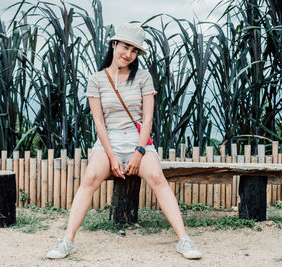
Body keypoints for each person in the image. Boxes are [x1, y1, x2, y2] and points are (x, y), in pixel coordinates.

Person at [46, 23, 202, 260]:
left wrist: (139, 152)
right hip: (108, 142)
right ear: (113, 44)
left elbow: (148, 118)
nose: (128, 54)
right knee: (89, 178)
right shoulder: (96, 80)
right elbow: (99, 124)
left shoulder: (142, 77)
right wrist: (111, 157)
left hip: (138, 140)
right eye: (125, 47)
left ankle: (184, 239)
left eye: (134, 50)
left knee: (158, 178)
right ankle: (67, 240)